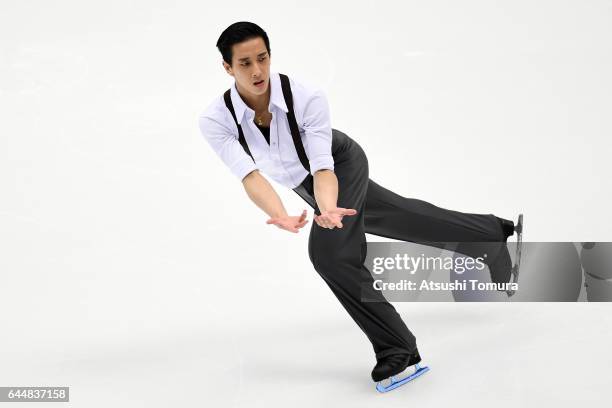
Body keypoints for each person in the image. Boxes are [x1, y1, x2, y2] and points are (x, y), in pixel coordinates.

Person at [198, 21, 520, 390]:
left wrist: (329, 208)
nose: (257, 71)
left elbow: (322, 165)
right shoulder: (215, 119)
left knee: (332, 255)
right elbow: (250, 175)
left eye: (263, 58)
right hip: (302, 183)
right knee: (400, 218)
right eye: (244, 63)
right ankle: (490, 234)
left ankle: (398, 348)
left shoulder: (304, 96)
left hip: (339, 164)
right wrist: (280, 214)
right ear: (227, 68)